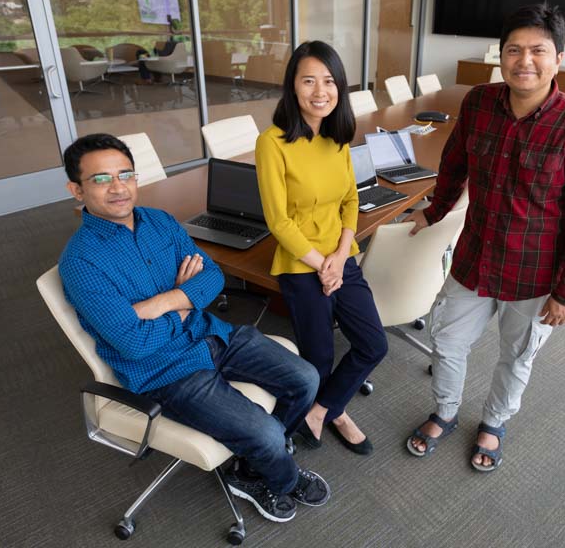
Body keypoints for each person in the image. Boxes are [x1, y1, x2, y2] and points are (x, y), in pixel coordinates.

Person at [58, 133, 330, 523]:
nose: (118, 188)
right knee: (267, 434)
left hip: (212, 333)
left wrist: (165, 302)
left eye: (125, 174)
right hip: (164, 370)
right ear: (76, 190)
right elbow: (134, 343)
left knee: (305, 378)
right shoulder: (81, 263)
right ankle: (275, 478)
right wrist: (187, 299)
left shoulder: (160, 221)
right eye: (101, 179)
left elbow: (214, 277)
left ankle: (255, 462)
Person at [405, 4, 565, 472]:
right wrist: (432, 211)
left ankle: (494, 423)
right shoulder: (478, 102)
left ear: (558, 58)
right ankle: (446, 412)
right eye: (513, 50)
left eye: (538, 51)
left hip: (536, 273)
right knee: (447, 341)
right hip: (475, 257)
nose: (525, 61)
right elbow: (455, 164)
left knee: (516, 357)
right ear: (500, 56)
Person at [255, 41, 388, 455]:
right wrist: (321, 264)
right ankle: (334, 408)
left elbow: (351, 201)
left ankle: (324, 409)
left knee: (373, 344)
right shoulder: (272, 143)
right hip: (300, 265)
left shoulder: (338, 138)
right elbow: (278, 221)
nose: (320, 91)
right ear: (292, 87)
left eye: (329, 81)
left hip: (341, 256)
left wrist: (340, 253)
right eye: (308, 80)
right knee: (319, 357)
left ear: (340, 87)